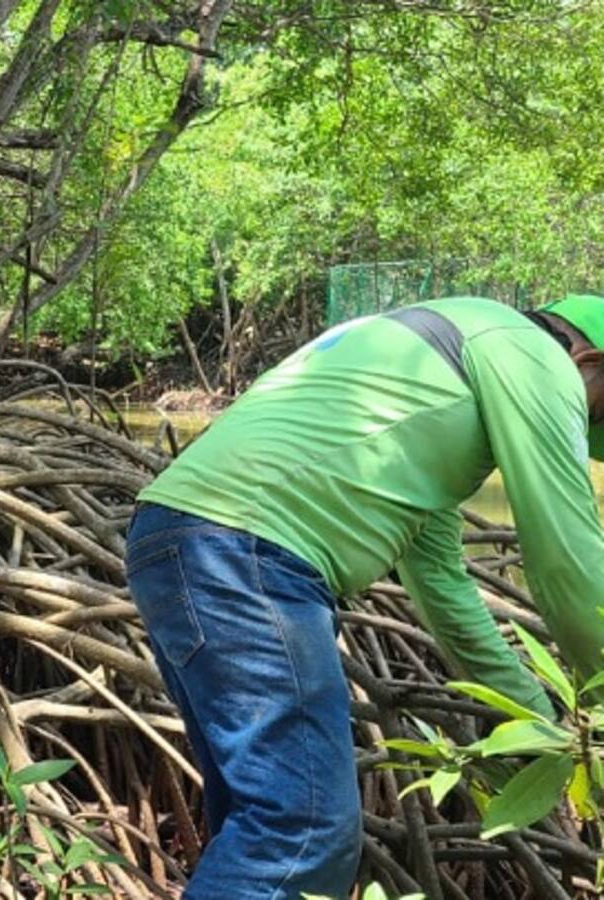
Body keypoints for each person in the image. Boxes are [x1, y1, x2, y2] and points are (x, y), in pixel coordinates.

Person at [127, 295, 604, 898]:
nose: (582, 430)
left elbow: (443, 592)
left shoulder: (434, 381)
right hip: (246, 555)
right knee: (301, 829)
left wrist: (538, 720)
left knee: (262, 820)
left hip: (179, 542)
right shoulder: (531, 352)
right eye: (597, 415)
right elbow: (568, 561)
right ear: (588, 359)